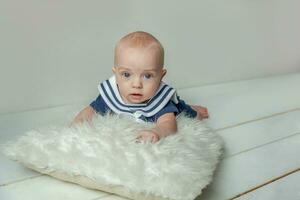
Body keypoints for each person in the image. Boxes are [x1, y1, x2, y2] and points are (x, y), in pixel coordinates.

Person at [72, 31, 208, 143]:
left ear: (161, 76)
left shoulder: (160, 102)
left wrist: (157, 132)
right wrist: (76, 124)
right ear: (116, 74)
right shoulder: (112, 95)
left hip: (177, 107)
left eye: (147, 76)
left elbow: (169, 124)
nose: (136, 84)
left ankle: (195, 110)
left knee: (186, 112)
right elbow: (89, 111)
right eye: (126, 74)